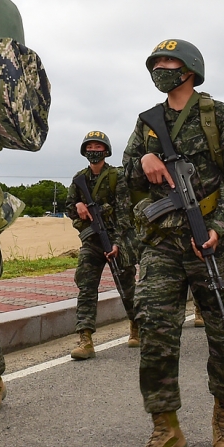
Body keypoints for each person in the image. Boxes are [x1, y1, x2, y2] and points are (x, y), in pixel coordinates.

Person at [118, 39, 224, 447]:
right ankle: (166, 430)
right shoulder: (147, 123)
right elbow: (128, 174)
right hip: (161, 243)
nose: (160, 68)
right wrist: (147, 160)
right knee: (155, 330)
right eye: (155, 62)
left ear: (189, 69)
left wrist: (217, 227)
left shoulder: (220, 115)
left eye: (168, 62)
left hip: (210, 240)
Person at [66, 131, 137, 358]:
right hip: (92, 241)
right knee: (86, 288)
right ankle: (85, 339)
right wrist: (78, 205)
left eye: (98, 147)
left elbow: (126, 213)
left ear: (106, 151)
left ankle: (136, 326)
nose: (94, 151)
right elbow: (69, 208)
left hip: (117, 240)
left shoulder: (117, 177)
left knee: (127, 288)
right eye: (90, 147)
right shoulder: (79, 179)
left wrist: (116, 242)